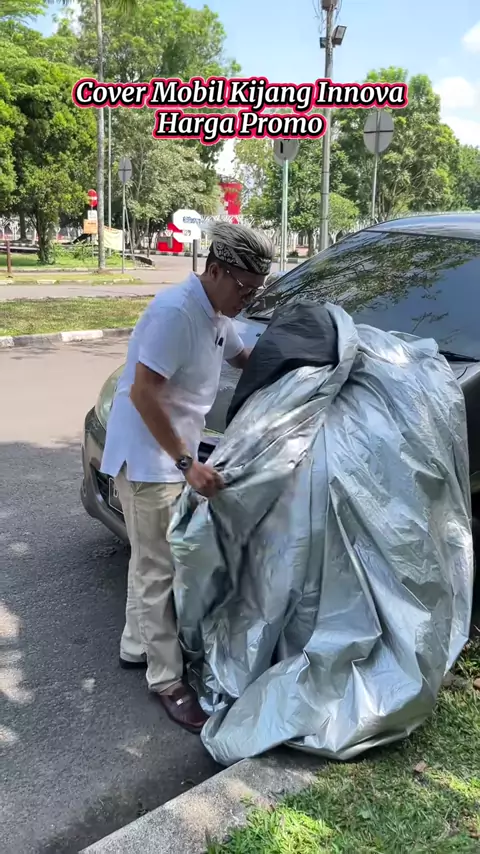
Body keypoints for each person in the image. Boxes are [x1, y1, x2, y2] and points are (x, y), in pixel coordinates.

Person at [100, 222, 274, 733]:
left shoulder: (217, 312)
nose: (247, 299)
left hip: (169, 452)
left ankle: (136, 646)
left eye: (255, 291)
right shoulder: (176, 312)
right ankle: (166, 681)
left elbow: (244, 358)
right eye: (244, 288)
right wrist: (185, 463)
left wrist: (298, 368)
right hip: (151, 459)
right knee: (159, 569)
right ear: (214, 270)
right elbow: (142, 392)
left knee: (149, 559)